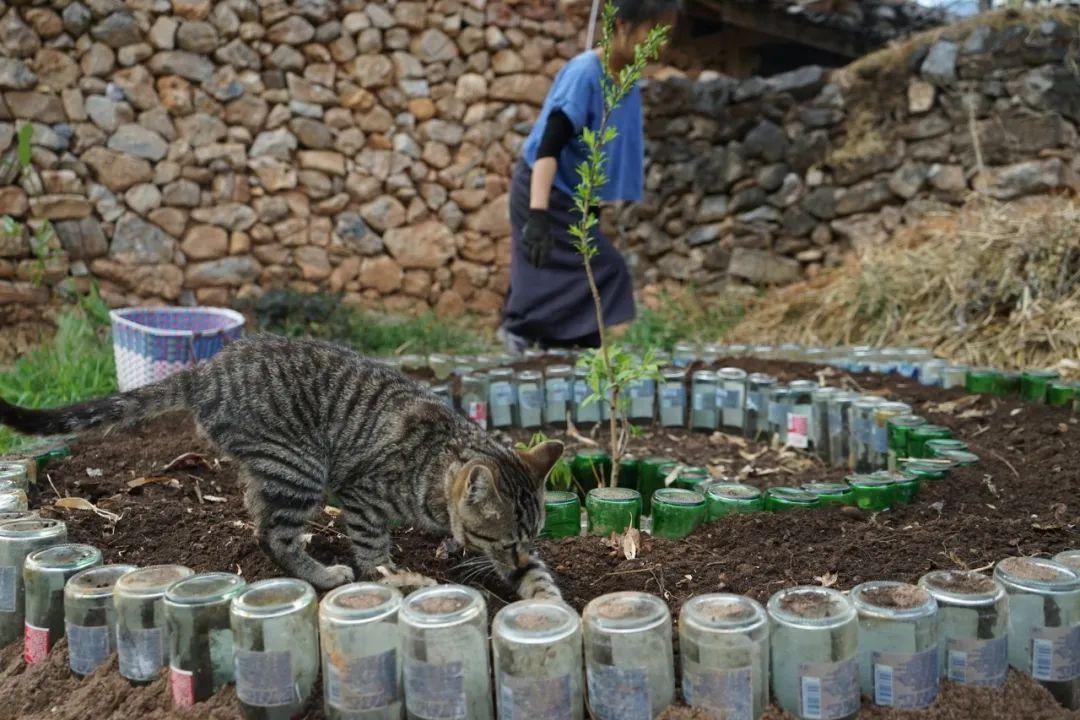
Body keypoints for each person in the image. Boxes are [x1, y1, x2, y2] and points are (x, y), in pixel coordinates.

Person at [500, 0, 679, 353]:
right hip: (543, 187)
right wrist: (537, 216)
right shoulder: (585, 73)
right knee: (591, 269)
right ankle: (519, 338)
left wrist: (592, 207)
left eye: (666, 35)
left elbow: (602, 154)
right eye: (653, 31)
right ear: (624, 26)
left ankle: (570, 350)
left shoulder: (625, 80)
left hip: (572, 198)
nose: (660, 43)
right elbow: (548, 147)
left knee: (589, 271)